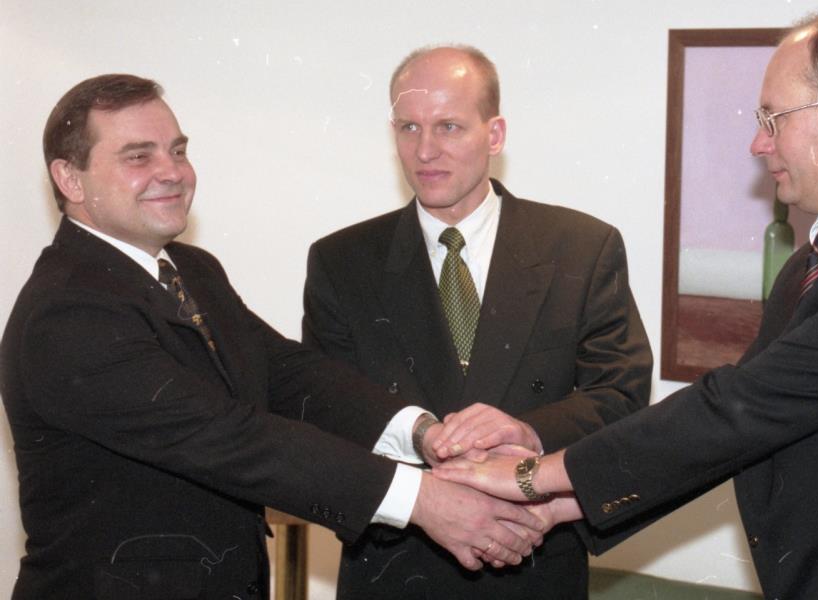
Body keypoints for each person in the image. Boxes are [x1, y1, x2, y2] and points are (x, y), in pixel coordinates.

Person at [435, 7, 818, 599]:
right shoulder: (815, 260)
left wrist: (532, 476)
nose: (757, 143)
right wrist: (561, 505)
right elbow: (738, 427)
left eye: (774, 119)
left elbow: (741, 408)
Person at [0, 74, 545, 600]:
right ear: (70, 179)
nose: (172, 172)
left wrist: (425, 434)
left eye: (178, 150)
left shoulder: (192, 269)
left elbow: (287, 373)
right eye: (139, 157)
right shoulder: (67, 311)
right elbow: (229, 437)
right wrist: (422, 499)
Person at [303, 45, 651, 599]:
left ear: (495, 135)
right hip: (395, 570)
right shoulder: (343, 262)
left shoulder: (582, 248)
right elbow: (328, 415)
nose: (425, 150)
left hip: (534, 561)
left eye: (449, 126)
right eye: (409, 127)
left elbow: (622, 397)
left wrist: (528, 433)